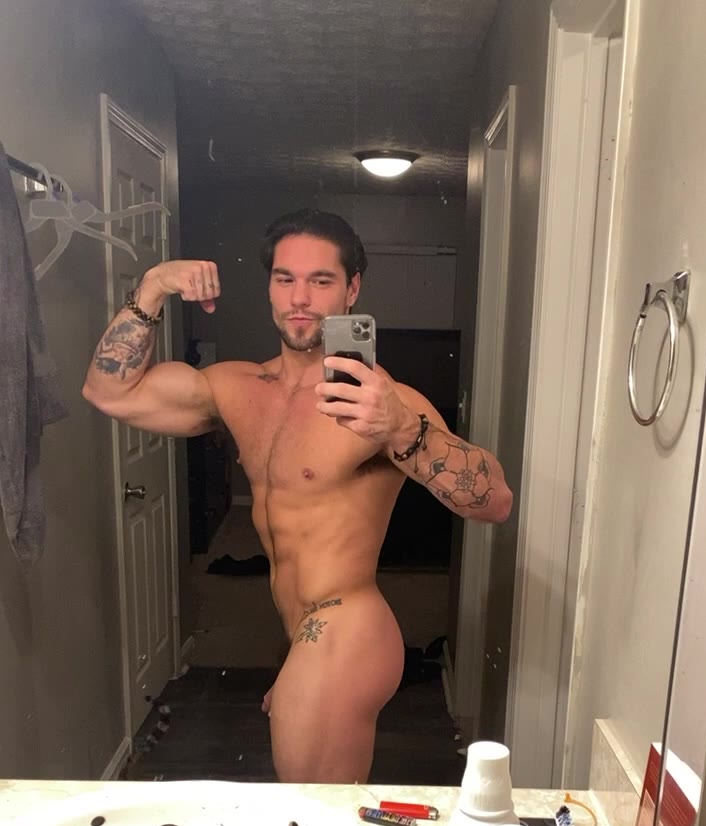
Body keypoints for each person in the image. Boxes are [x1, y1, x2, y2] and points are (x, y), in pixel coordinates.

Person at [83, 208, 512, 784]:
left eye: (321, 280)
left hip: (348, 624)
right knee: (321, 811)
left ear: (352, 289)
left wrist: (401, 429)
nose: (300, 298)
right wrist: (154, 286)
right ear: (269, 286)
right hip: (301, 630)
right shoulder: (235, 387)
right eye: (285, 278)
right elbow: (109, 392)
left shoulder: (382, 401)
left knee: (312, 814)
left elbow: (493, 501)